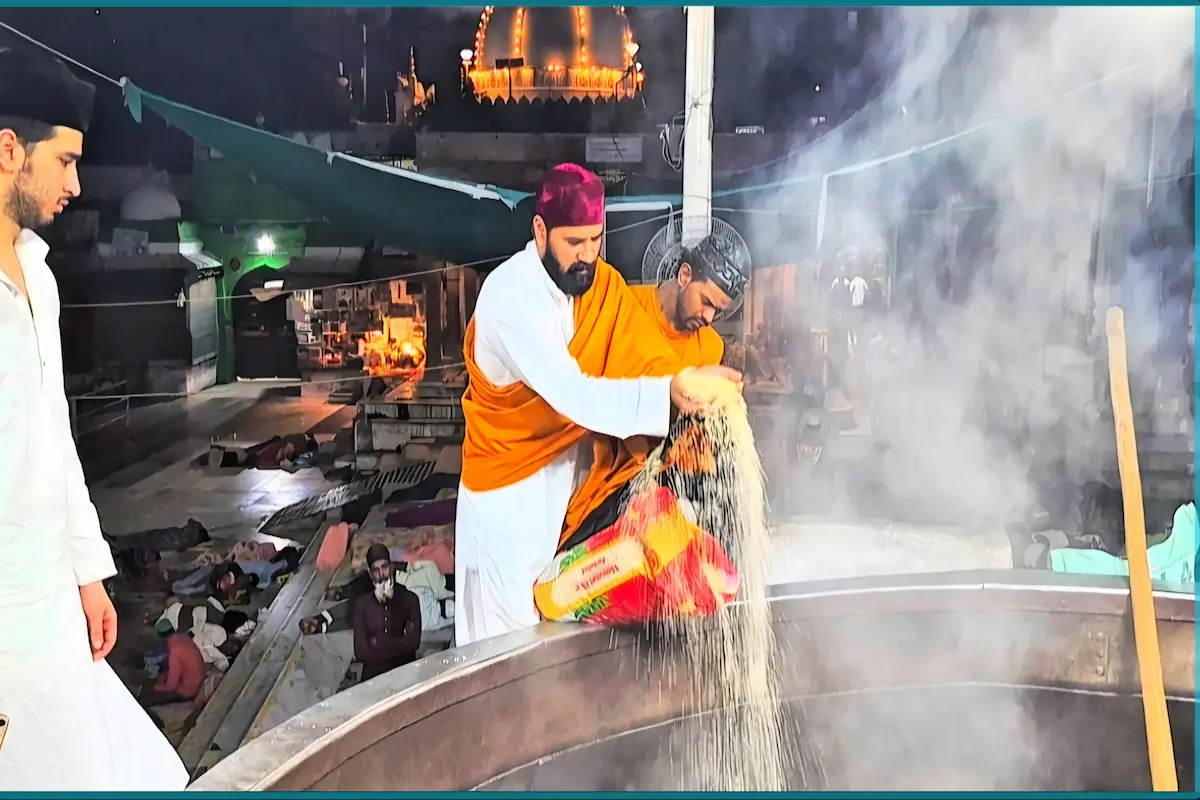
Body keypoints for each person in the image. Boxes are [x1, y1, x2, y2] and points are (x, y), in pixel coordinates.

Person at [0, 50, 187, 789]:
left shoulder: (36, 276)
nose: (78, 184)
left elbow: (53, 436)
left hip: (49, 591)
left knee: (148, 775)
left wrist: (88, 573)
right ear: (8, 148)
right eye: (66, 160)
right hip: (7, 614)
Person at [455, 163, 740, 647]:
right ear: (540, 231)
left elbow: (642, 350)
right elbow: (575, 394)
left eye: (596, 240)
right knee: (502, 651)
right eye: (574, 243)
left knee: (549, 621)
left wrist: (686, 384)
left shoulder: (595, 287)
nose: (588, 256)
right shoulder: (512, 298)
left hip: (565, 488)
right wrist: (669, 393)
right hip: (507, 501)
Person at [561, 235, 749, 545]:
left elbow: (687, 429)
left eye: (718, 311)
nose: (708, 318)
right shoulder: (624, 306)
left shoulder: (711, 347)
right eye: (706, 302)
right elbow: (589, 385)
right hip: (594, 463)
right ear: (685, 275)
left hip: (654, 483)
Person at [352, 544, 423, 681]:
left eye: (384, 567)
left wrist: (377, 643)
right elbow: (360, 652)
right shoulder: (362, 606)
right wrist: (399, 643)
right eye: (376, 570)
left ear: (391, 567)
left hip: (405, 674)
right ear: (370, 573)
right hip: (373, 679)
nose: (381, 574)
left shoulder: (410, 599)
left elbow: (414, 643)